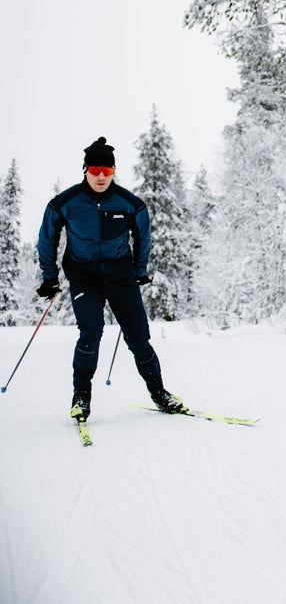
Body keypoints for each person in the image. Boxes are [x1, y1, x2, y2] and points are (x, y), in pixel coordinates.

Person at [36, 137, 186, 422]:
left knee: (139, 337)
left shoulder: (130, 204)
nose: (101, 177)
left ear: (114, 171)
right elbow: (47, 239)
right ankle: (81, 398)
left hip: (120, 274)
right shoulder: (64, 203)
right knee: (90, 333)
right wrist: (49, 277)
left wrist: (139, 270)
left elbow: (143, 237)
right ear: (85, 171)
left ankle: (159, 393)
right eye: (95, 171)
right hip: (84, 275)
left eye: (107, 171)